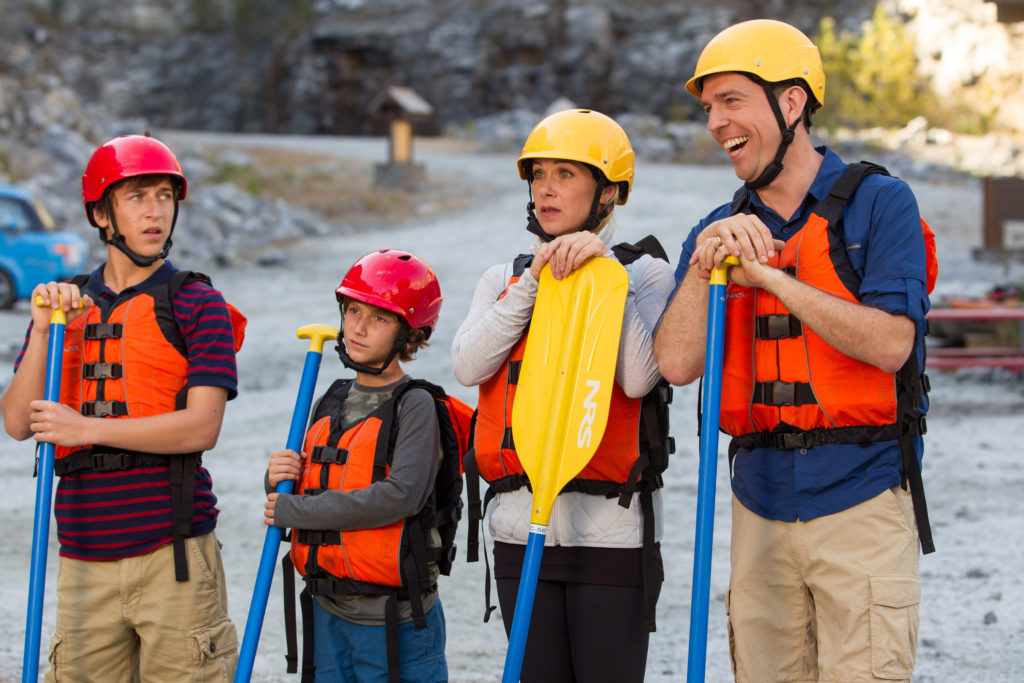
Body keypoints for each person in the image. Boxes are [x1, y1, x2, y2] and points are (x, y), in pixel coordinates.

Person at [653, 19, 933, 683]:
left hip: (862, 497)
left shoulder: (880, 203)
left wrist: (772, 277)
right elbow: (675, 364)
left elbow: (893, 343)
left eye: (731, 101)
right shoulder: (714, 231)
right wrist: (703, 264)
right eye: (709, 108)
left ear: (791, 102)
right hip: (759, 504)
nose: (717, 123)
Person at [0, 134, 243, 681]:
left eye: (164, 195)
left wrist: (85, 427)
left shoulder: (197, 303)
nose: (155, 210)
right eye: (137, 196)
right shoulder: (62, 305)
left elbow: (202, 426)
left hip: (174, 553)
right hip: (83, 553)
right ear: (101, 215)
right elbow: (16, 421)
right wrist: (41, 331)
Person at [451, 108, 676, 682]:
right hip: (516, 527)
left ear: (609, 193)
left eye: (567, 174)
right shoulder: (505, 276)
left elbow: (637, 377)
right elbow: (468, 363)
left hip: (611, 534)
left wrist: (605, 279)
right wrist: (533, 282)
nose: (546, 187)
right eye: (539, 174)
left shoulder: (643, 272)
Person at [265, 249, 463, 683]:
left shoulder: (416, 406)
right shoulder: (331, 398)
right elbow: (306, 485)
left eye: (378, 318)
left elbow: (401, 495)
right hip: (325, 610)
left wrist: (295, 511)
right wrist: (279, 477)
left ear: (409, 336)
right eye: (353, 310)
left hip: (395, 621)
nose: (357, 326)